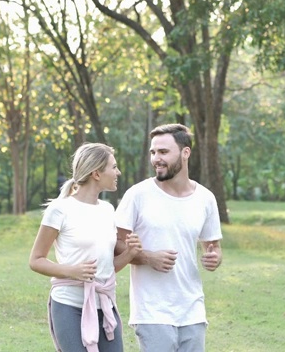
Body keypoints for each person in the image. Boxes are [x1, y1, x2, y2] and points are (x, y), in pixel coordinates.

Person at [115, 123, 223, 352]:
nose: (156, 158)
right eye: (153, 152)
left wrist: (214, 258)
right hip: (152, 310)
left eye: (163, 152)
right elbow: (115, 244)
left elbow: (212, 246)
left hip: (192, 309)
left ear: (185, 152)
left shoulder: (205, 198)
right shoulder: (138, 194)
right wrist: (147, 257)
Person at [29, 143, 142, 352]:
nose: (118, 172)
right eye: (113, 167)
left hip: (104, 305)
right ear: (96, 173)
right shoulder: (60, 209)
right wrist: (71, 271)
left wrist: (130, 253)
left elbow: (105, 268)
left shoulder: (108, 210)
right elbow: (36, 260)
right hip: (68, 306)